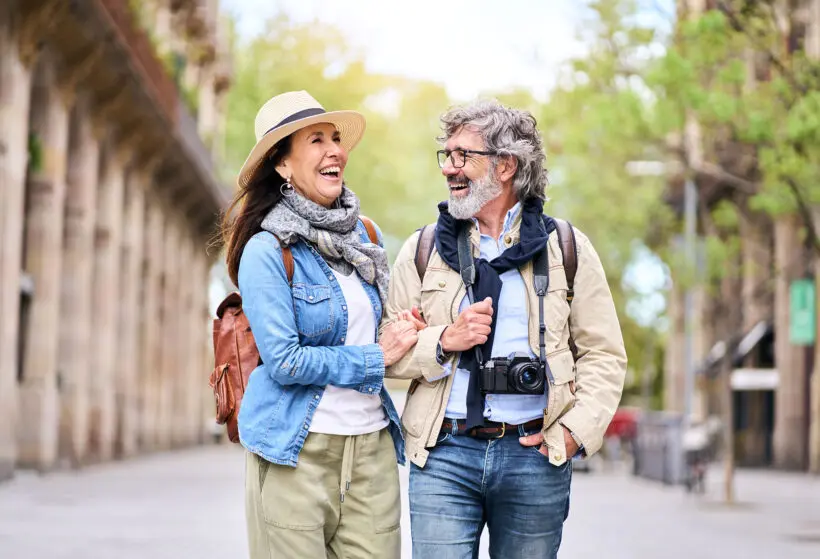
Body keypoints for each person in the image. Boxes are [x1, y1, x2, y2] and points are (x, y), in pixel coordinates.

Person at [384, 99, 627, 558]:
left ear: (506, 166)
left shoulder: (566, 248)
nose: (449, 169)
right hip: (443, 455)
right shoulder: (423, 249)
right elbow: (386, 353)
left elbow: (604, 355)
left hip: (536, 455)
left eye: (463, 156)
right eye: (447, 155)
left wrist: (573, 432)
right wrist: (443, 341)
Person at [222, 90, 418, 559]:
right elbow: (285, 360)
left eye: (335, 138)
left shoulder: (365, 237)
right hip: (296, 451)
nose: (335, 150)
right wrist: (378, 355)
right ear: (283, 165)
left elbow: (377, 331)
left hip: (371, 450)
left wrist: (409, 330)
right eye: (316, 140)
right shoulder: (266, 251)